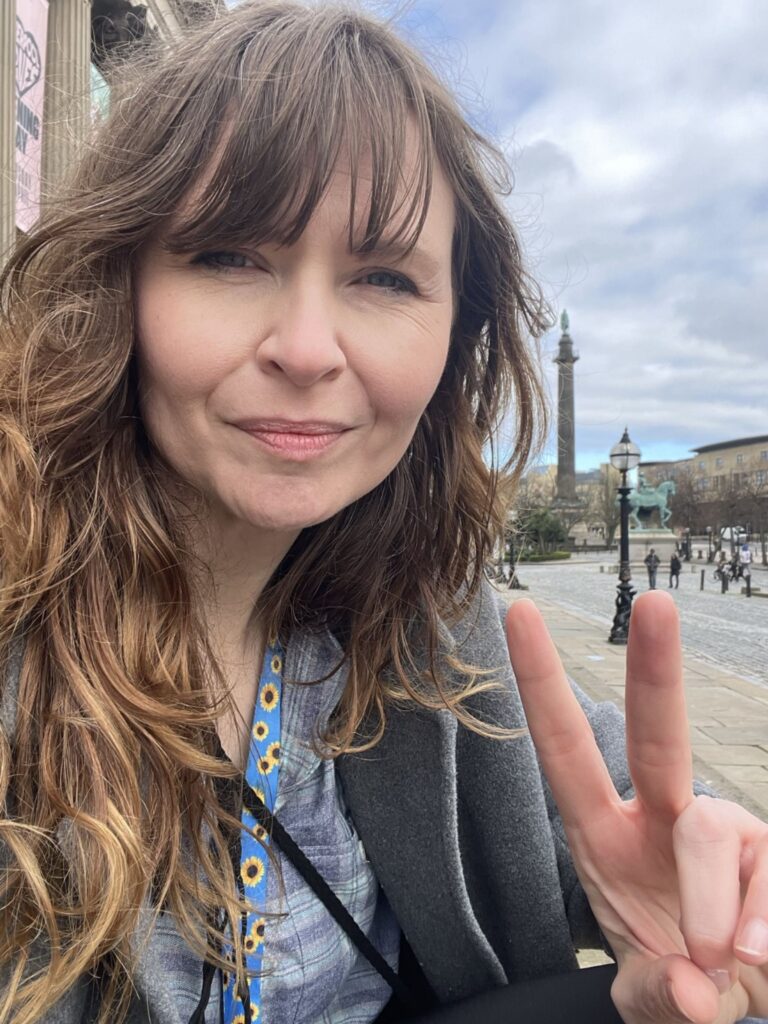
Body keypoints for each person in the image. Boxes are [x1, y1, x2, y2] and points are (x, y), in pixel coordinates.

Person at [1, 4, 768, 1024]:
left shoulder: (437, 621)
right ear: (121, 279)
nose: (308, 348)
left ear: (458, 335)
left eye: (383, 276)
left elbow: (638, 809)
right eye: (229, 255)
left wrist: (713, 912)